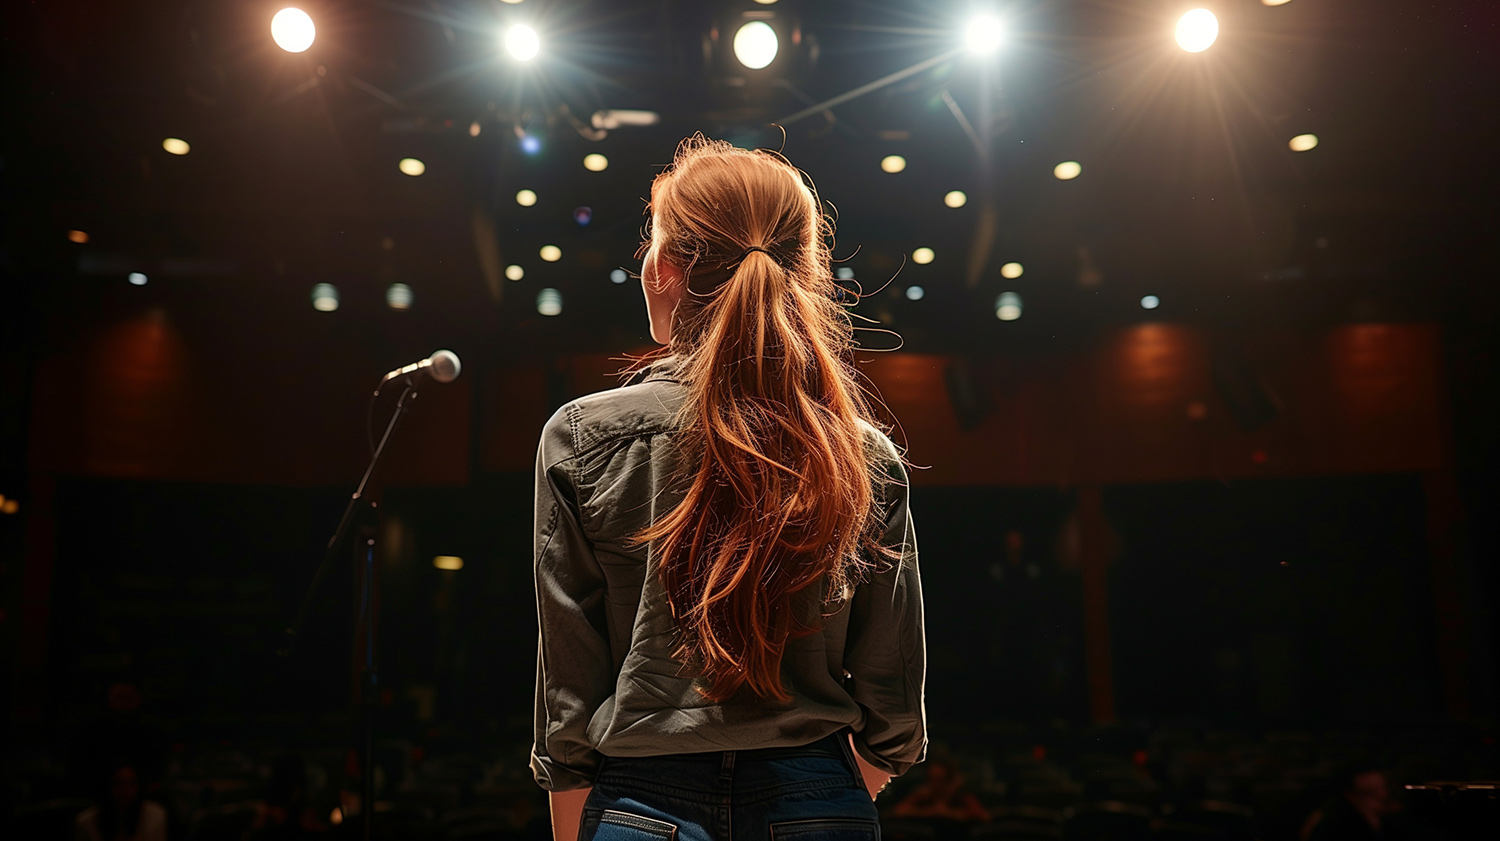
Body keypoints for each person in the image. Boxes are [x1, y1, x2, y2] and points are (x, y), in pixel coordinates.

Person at [531, 136, 926, 841]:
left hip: (641, 807)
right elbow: (891, 698)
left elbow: (570, 695)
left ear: (666, 268)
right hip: (818, 798)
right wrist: (822, 793)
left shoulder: (581, 437)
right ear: (804, 273)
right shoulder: (867, 456)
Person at [75, 761, 168, 841]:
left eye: (131, 783)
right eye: (118, 783)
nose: (125, 790)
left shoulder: (155, 816)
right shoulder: (86, 822)